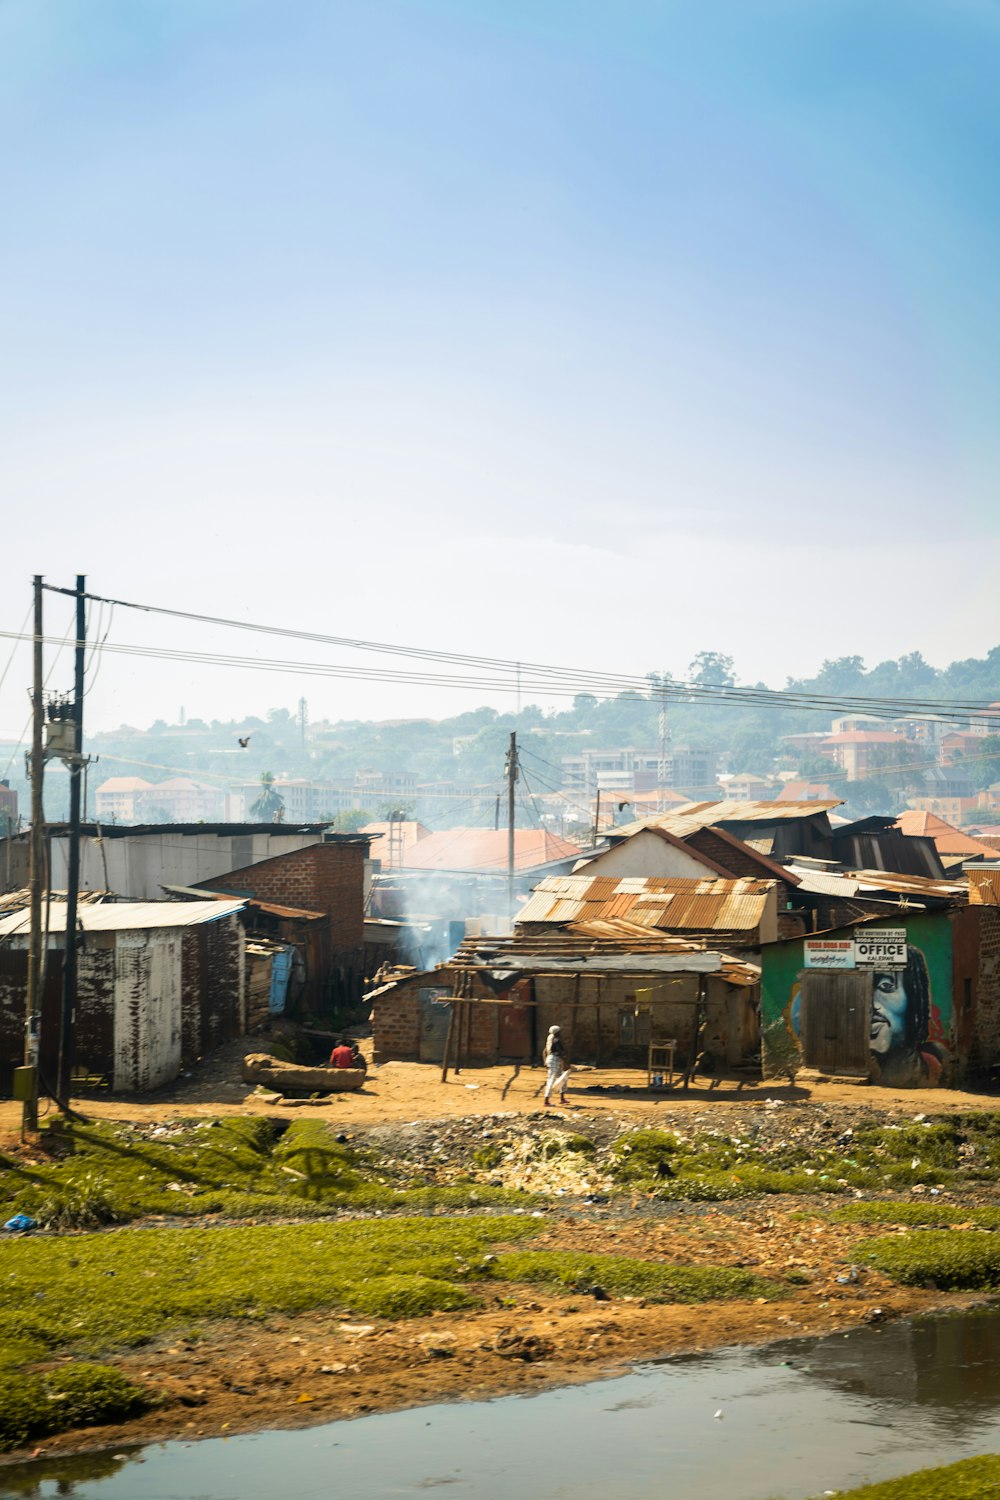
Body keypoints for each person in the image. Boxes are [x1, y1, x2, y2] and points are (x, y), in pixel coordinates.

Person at [869, 946, 947, 1087]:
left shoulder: (934, 1063)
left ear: (914, 997)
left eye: (886, 986)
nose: (872, 1003)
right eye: (865, 987)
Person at [543, 1024, 570, 1106]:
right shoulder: (556, 1040)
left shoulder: (550, 1039)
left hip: (551, 1059)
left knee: (562, 1078)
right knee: (552, 1079)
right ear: (557, 1032)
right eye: (559, 1032)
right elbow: (560, 1053)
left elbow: (544, 1051)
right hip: (555, 1060)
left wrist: (545, 1061)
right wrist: (565, 1062)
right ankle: (546, 1100)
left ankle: (562, 1098)